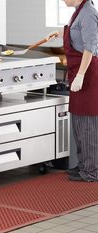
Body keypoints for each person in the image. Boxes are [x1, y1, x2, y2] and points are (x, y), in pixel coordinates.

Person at [48, 0, 98, 182]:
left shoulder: (89, 13)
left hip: (89, 76)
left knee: (88, 125)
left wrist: (81, 75)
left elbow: (89, 48)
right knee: (78, 121)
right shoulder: (79, 10)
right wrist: (61, 33)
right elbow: (77, 33)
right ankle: (84, 165)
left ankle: (93, 171)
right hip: (78, 73)